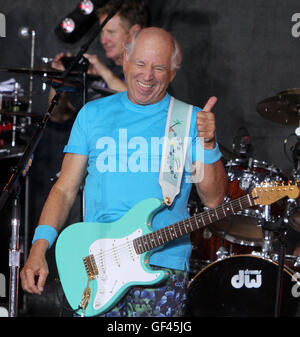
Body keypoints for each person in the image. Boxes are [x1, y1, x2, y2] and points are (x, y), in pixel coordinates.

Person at [21, 27, 228, 317]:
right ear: (126, 60)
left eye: (159, 68)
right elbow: (65, 189)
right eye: (141, 64)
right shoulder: (92, 115)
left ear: (173, 72)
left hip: (161, 267)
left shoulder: (189, 120)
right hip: (96, 265)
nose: (147, 75)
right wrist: (38, 248)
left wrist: (208, 142)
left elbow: (214, 200)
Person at [49, 0, 149, 123]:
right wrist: (61, 78)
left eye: (111, 32)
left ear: (134, 32)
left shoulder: (148, 72)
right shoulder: (99, 73)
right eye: (102, 32)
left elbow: (137, 108)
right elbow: (58, 114)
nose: (103, 40)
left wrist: (105, 73)